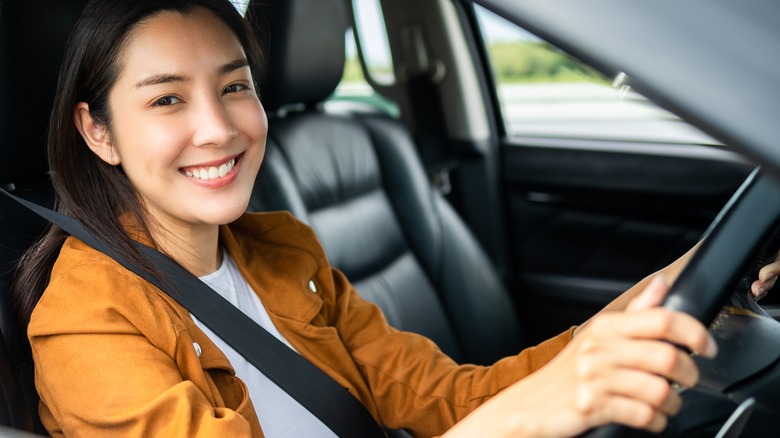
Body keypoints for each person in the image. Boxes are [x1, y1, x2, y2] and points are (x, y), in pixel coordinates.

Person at [12, 0, 777, 437]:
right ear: (98, 132)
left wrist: (674, 287)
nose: (218, 128)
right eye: (167, 98)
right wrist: (527, 416)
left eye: (236, 86)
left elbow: (448, 397)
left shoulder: (283, 251)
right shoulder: (84, 318)